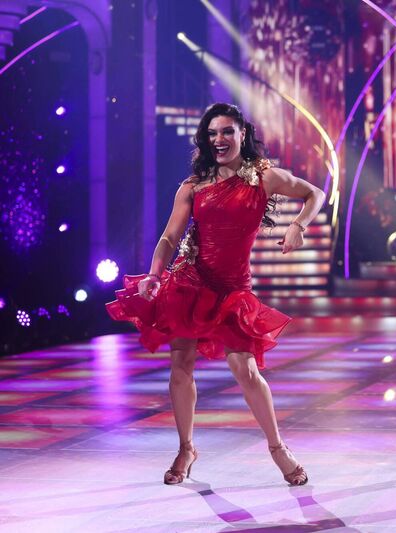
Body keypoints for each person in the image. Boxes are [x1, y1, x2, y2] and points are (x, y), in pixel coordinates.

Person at [107, 103, 325, 486]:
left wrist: (299, 226)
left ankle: (278, 448)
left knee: (246, 368)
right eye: (212, 134)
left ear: (243, 134)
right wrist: (155, 275)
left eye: (226, 131)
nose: (219, 140)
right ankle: (186, 447)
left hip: (233, 288)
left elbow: (314, 194)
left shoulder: (263, 178)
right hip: (192, 282)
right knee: (181, 366)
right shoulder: (194, 187)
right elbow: (169, 238)